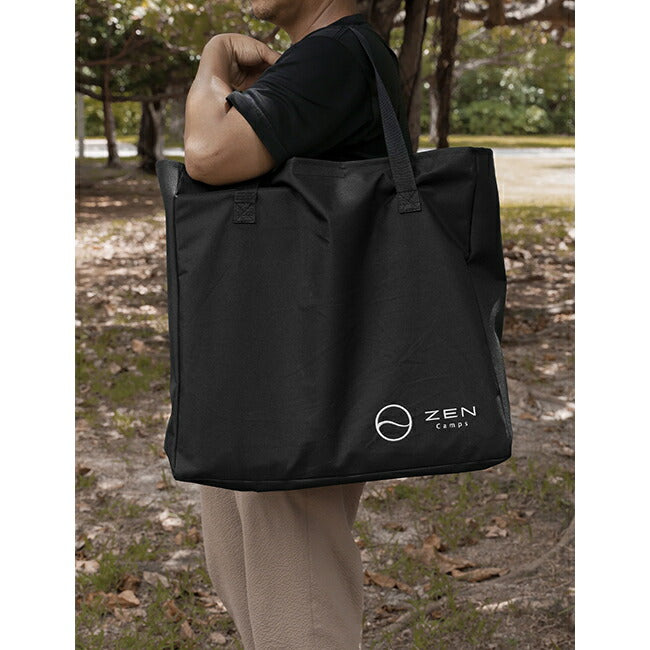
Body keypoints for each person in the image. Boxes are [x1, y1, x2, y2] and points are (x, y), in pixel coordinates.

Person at [183, 2, 413, 648]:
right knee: (253, 572)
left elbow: (207, 151)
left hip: (300, 371)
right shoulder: (329, 58)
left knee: (299, 600)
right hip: (278, 351)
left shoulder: (333, 56)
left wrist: (214, 56)